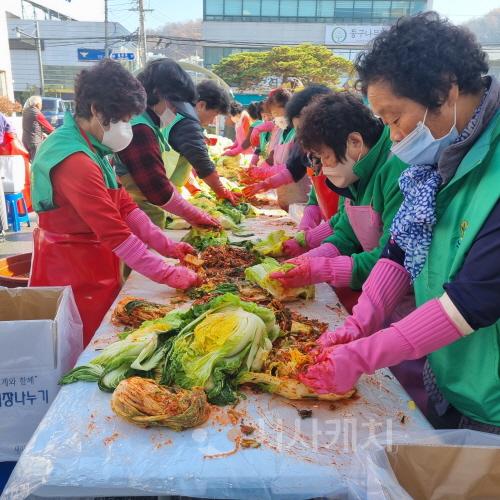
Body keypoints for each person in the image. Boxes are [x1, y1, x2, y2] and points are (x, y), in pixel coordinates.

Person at [301, 13, 500, 433]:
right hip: (452, 379)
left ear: (445, 92)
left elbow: (476, 298)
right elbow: (402, 248)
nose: (392, 137)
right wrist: (363, 319)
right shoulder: (437, 164)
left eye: (393, 119)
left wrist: (363, 356)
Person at [29, 60, 199, 346]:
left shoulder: (93, 148)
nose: (127, 126)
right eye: (123, 118)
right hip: (72, 275)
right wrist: (169, 274)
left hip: (94, 265)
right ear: (97, 110)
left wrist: (167, 246)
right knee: (79, 349)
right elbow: (117, 234)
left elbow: (126, 207)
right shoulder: (74, 159)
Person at [270, 92, 406, 295]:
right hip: (372, 285)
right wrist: (310, 257)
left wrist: (325, 268)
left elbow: (392, 257)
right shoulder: (354, 168)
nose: (323, 168)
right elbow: (345, 231)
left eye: (326, 157)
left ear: (354, 142)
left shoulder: (398, 171)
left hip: (405, 296)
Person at [116, 58, 234, 229]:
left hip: (145, 212)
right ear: (157, 93)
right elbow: (157, 188)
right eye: (174, 106)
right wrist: (194, 215)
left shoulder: (148, 123)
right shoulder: (140, 128)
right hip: (140, 212)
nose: (176, 112)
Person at [242, 85, 333, 209]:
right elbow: (294, 168)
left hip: (302, 196)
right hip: (295, 200)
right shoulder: (285, 132)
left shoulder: (340, 157)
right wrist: (264, 183)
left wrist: (263, 177)